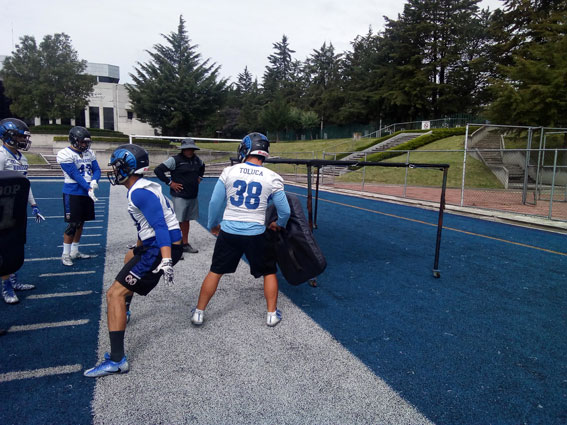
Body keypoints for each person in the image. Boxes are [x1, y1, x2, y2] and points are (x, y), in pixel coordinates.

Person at [84, 144, 183, 377]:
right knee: (129, 256)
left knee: (113, 294)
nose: (114, 171)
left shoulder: (139, 192)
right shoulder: (141, 187)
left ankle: (117, 360)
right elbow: (146, 225)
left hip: (160, 248)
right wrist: (138, 248)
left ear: (128, 167)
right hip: (154, 246)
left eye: (117, 166)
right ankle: (125, 311)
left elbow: (160, 227)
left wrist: (166, 259)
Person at [190, 132, 290, 328]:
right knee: (268, 272)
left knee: (215, 271)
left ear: (245, 148)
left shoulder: (229, 171)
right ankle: (271, 315)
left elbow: (215, 202)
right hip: (256, 233)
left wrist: (213, 225)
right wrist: (280, 224)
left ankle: (199, 312)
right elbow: (284, 210)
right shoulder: (273, 177)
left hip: (229, 231)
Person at [0, 118, 45, 304]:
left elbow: (25, 185)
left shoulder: (22, 158)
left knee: (15, 245)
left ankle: (13, 281)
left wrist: (33, 205)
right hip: (2, 210)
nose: (23, 140)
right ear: (7, 135)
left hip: (16, 208)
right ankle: (6, 287)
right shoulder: (1, 155)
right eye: (19, 136)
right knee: (3, 248)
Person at [56, 126, 101, 266]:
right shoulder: (64, 154)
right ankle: (65, 254)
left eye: (86, 142)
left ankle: (75, 251)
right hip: (73, 192)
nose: (85, 145)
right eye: (82, 142)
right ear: (74, 140)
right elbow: (74, 174)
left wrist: (94, 181)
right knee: (73, 224)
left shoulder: (89, 152)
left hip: (87, 191)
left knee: (81, 222)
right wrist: (88, 187)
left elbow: (97, 169)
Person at [154, 138, 205, 254]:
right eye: (187, 149)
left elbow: (202, 167)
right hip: (180, 195)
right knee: (177, 221)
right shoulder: (175, 160)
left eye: (191, 149)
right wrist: (170, 183)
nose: (189, 151)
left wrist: (200, 177)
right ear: (183, 149)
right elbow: (158, 170)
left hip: (192, 195)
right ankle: (175, 246)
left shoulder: (197, 160)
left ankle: (185, 244)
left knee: (186, 220)